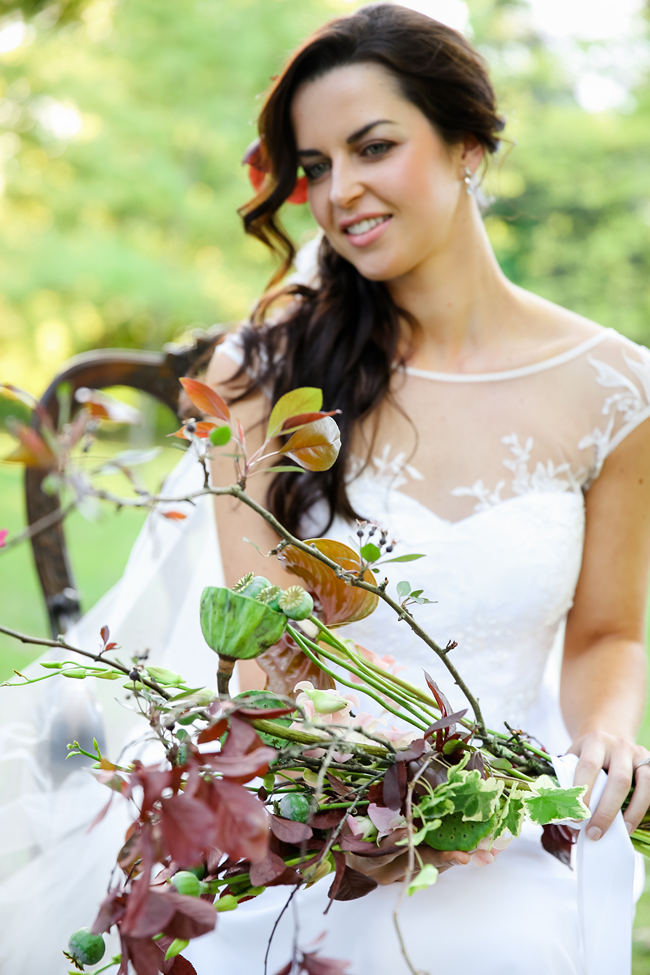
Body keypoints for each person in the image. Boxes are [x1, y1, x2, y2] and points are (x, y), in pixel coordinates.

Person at [0, 4, 648, 974]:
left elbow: (608, 631)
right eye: (313, 167)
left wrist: (603, 736)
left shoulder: (615, 388)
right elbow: (263, 662)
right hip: (303, 823)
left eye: (371, 147)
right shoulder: (258, 381)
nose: (339, 192)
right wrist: (368, 793)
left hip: (514, 823)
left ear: (466, 142)